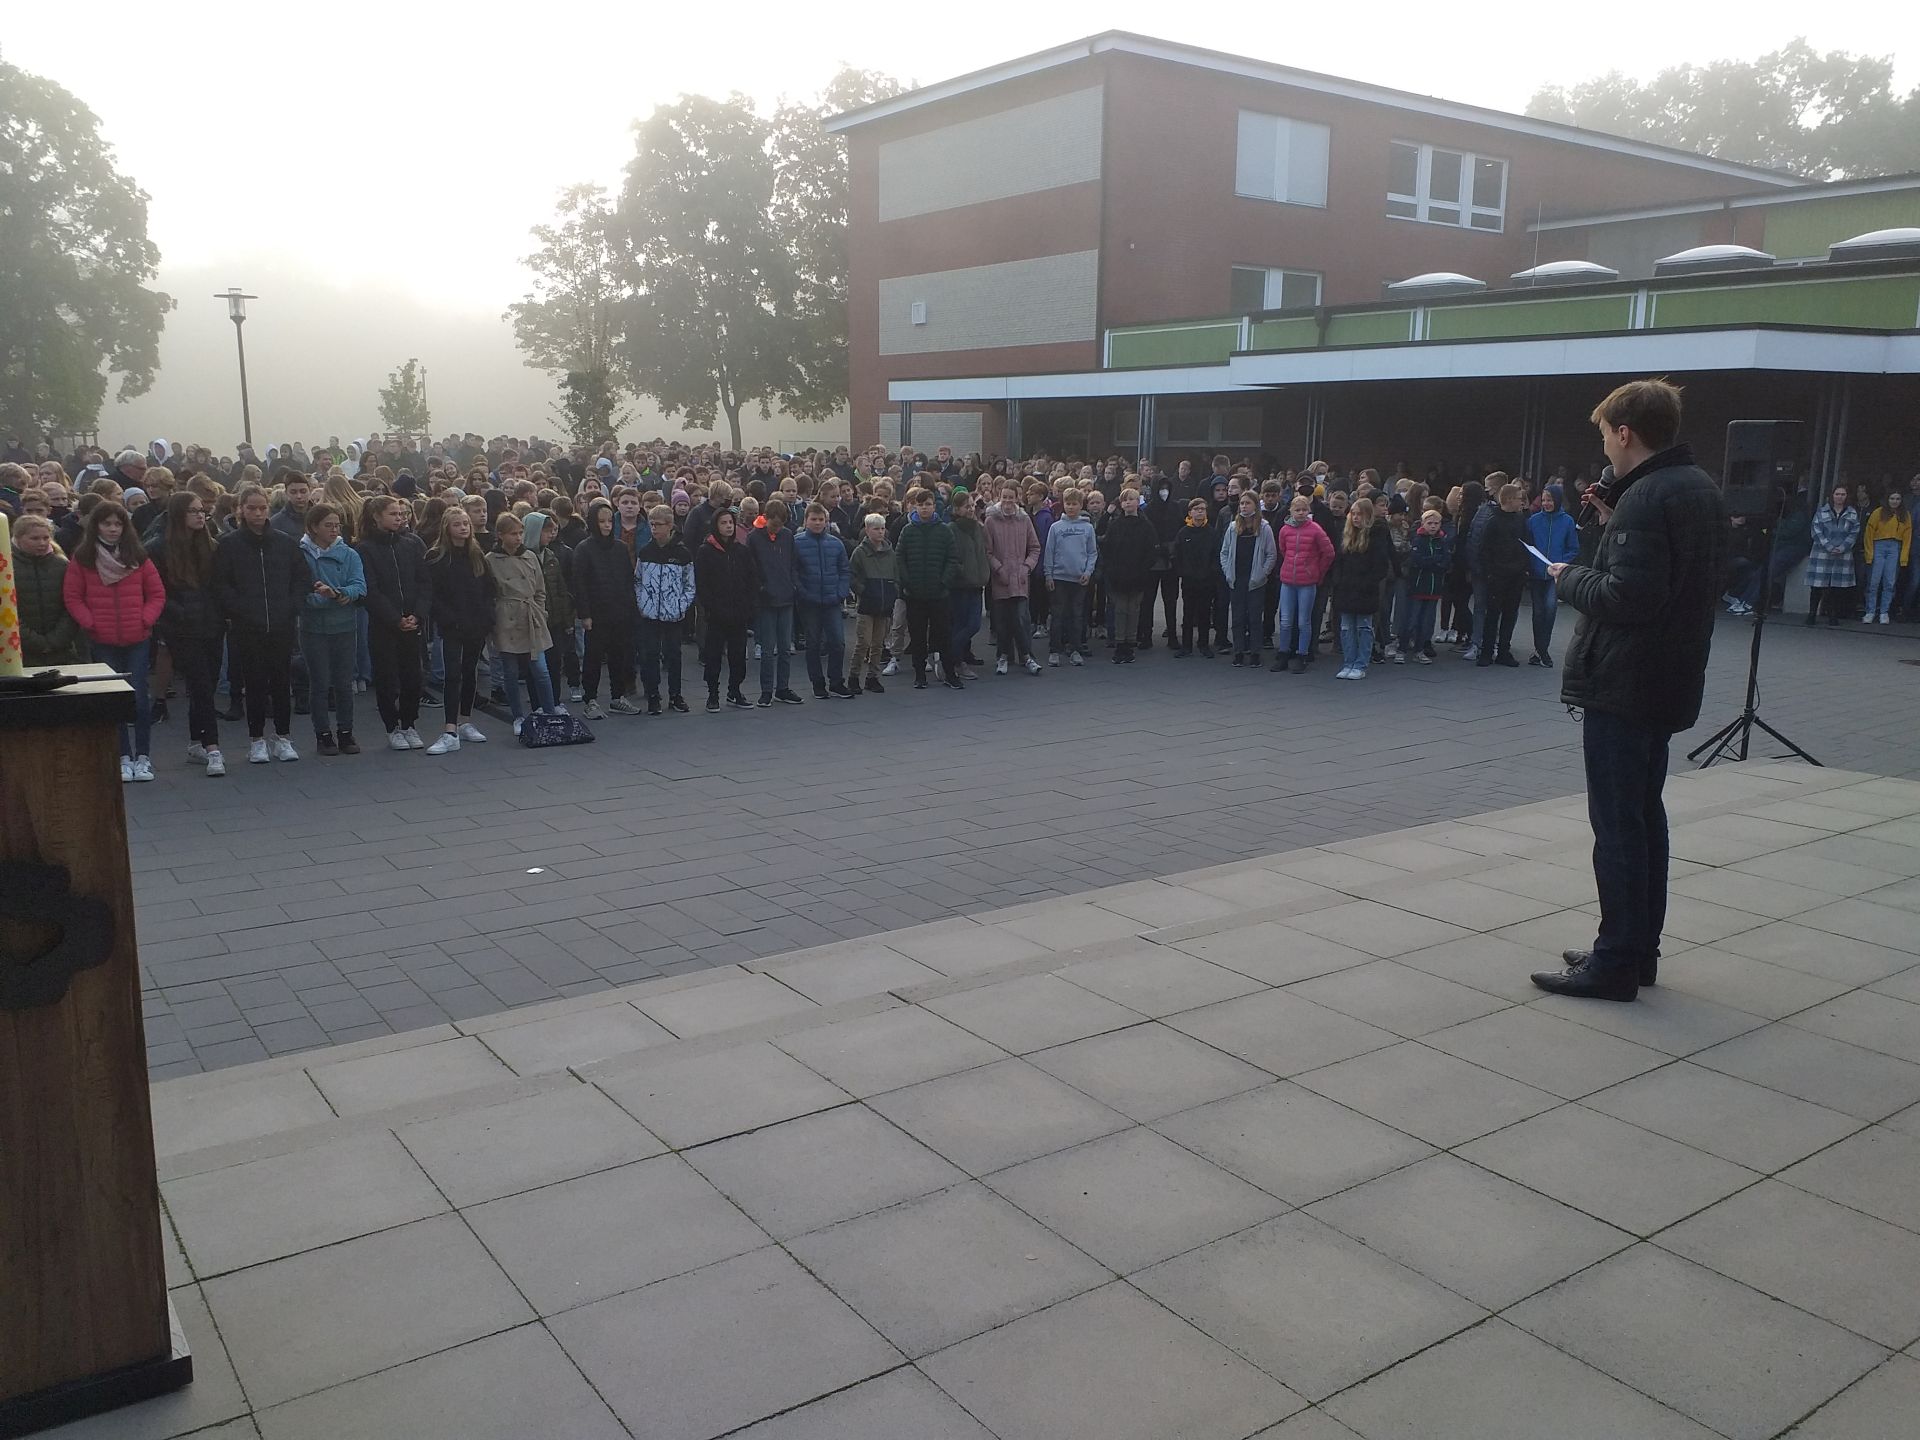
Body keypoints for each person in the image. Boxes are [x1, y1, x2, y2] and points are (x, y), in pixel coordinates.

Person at [1536, 378, 1728, 1002]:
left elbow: (1629, 597)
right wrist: (1612, 523)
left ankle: (1615, 960)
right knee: (1645, 817)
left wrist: (1568, 578)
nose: (1604, 448)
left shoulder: (1648, 496)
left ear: (1625, 433)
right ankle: (1637, 949)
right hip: (1669, 675)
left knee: (1618, 825)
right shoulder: (1696, 487)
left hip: (1626, 679)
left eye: (1605, 436)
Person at [62, 500, 167, 781]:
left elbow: (156, 593)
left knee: (139, 697)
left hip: (137, 637)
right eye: (106, 523)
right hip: (102, 638)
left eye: (118, 524)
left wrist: (145, 619)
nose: (112, 529)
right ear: (96, 526)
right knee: (114, 698)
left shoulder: (138, 556)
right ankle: (122, 755)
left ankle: (143, 756)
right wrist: (90, 622)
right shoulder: (83, 558)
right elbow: (73, 596)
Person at [214, 485, 310, 764]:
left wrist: (291, 606)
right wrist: (240, 609)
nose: (258, 513)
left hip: (281, 623)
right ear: (241, 510)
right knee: (254, 683)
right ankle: (256, 739)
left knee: (281, 682)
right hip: (247, 626)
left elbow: (301, 578)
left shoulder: (284, 542)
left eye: (262, 508)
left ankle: (283, 737)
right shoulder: (229, 544)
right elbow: (221, 584)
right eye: (251, 508)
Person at [358, 495, 432, 750]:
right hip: (384, 625)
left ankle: (409, 723)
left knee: (413, 677)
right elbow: (371, 590)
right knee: (387, 678)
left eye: (401, 514)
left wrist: (418, 614)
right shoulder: (365, 548)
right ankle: (392, 726)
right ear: (376, 517)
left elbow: (424, 582)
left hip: (412, 622)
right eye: (393, 514)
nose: (399, 518)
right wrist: (394, 618)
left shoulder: (412, 544)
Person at [423, 507, 495, 753]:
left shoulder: (476, 554)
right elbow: (432, 594)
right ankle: (450, 728)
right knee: (452, 674)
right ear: (447, 528)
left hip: (476, 623)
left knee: (469, 671)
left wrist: (487, 617)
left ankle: (465, 721)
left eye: (465, 523)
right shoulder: (436, 557)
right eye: (457, 524)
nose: (463, 527)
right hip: (452, 625)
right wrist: (447, 618)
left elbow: (489, 589)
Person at [299, 503, 368, 756]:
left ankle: (346, 732)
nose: (334, 530)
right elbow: (301, 591)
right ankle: (323, 735)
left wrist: (336, 593)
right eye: (328, 525)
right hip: (313, 628)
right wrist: (322, 599)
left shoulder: (349, 554)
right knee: (319, 683)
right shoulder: (301, 554)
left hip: (344, 626)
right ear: (313, 527)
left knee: (343, 682)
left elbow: (359, 586)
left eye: (337, 525)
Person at [486, 512, 555, 734]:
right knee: (511, 671)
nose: (518, 538)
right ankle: (517, 716)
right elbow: (488, 592)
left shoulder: (530, 557)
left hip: (530, 615)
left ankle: (550, 712)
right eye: (513, 534)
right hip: (506, 618)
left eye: (520, 533)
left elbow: (540, 589)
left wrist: (540, 612)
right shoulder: (491, 560)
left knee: (541, 669)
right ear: (500, 535)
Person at [572, 499, 640, 718]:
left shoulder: (620, 547)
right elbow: (580, 584)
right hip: (596, 613)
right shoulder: (584, 549)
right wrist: (585, 614)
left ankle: (617, 697)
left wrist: (630, 608)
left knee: (618, 656)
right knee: (593, 658)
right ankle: (590, 699)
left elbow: (628, 579)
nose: (607, 525)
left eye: (610, 521)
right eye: (602, 521)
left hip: (619, 611)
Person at [896, 487, 963, 690]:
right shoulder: (908, 531)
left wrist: (944, 582)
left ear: (934, 506)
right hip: (914, 593)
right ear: (915, 507)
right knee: (917, 636)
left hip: (939, 594)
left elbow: (953, 559)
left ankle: (949, 673)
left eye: (928, 504)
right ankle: (919, 675)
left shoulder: (944, 530)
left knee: (943, 635)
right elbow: (899, 558)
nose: (924, 508)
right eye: (920, 505)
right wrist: (906, 582)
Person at [635, 504, 696, 714]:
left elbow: (689, 584)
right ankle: (653, 695)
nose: (654, 529)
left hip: (673, 615)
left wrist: (680, 606)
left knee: (674, 655)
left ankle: (675, 695)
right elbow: (637, 580)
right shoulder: (645, 552)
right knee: (650, 655)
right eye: (651, 524)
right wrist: (642, 603)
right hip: (650, 614)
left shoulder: (682, 553)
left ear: (670, 526)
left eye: (658, 525)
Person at [693, 508, 757, 710]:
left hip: (738, 613)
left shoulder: (741, 551)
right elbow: (702, 584)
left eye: (731, 522)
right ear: (715, 525)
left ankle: (734, 690)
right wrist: (711, 607)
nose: (728, 526)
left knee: (738, 655)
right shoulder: (706, 551)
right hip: (716, 614)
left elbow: (751, 579)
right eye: (724, 523)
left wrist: (747, 605)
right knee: (713, 656)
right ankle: (713, 693)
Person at [12, 513, 88, 670]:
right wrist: (35, 642)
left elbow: (71, 604)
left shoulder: (62, 565)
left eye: (46, 538)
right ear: (18, 538)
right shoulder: (7, 567)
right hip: (21, 650)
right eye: (34, 538)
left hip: (61, 649)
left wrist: (55, 640)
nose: (42, 543)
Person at [793, 501, 852, 698]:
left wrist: (841, 592)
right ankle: (817, 683)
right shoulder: (797, 542)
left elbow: (844, 570)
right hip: (809, 602)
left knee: (837, 642)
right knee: (813, 644)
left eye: (821, 519)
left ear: (826, 521)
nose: (818, 523)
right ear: (806, 521)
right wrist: (802, 593)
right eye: (814, 519)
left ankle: (836, 681)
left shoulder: (836, 543)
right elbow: (794, 572)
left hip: (832, 600)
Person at [983, 479, 1042, 676]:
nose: (1008, 501)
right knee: (1002, 621)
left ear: (1017, 498)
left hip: (1021, 579)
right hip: (1001, 579)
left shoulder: (1024, 520)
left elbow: (1034, 547)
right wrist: (998, 569)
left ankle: (1027, 657)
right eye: (1004, 497)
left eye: (1011, 497)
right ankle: (1003, 656)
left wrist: (1027, 567)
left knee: (1022, 619)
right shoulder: (991, 521)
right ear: (1000, 497)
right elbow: (987, 551)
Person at [1328, 496, 1391, 679]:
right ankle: (1348, 662)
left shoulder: (1375, 536)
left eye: (1360, 514)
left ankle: (1361, 664)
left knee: (1364, 627)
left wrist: (1368, 583)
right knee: (1346, 627)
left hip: (1365, 589)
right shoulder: (1346, 535)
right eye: (1353, 514)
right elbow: (1338, 561)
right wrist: (1338, 581)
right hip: (1346, 588)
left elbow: (1381, 566)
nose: (1355, 518)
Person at [1271, 493, 1334, 675]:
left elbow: (1329, 552)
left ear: (1309, 511)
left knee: (1303, 621)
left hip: (1307, 581)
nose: (1300, 513)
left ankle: (1302, 654)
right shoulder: (1285, 530)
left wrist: (1317, 571)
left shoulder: (1315, 529)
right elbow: (1283, 549)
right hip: (1288, 580)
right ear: (1291, 511)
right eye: (1297, 510)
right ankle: (1284, 653)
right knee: (1285, 621)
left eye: (1304, 510)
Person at [749, 497, 801, 706]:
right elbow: (751, 568)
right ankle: (766, 690)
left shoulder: (787, 536)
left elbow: (793, 563)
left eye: (780, 525)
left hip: (786, 596)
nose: (777, 529)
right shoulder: (754, 538)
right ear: (766, 519)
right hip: (766, 600)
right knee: (768, 649)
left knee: (785, 647)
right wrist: (760, 588)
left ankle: (783, 687)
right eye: (774, 525)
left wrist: (793, 584)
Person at [1218, 491, 1276, 667]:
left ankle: (1255, 652)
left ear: (1255, 506)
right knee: (1237, 618)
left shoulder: (1264, 528)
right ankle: (1239, 651)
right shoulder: (1233, 527)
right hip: (1237, 578)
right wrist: (1228, 572)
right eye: (1242, 503)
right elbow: (1224, 552)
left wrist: (1262, 574)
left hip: (1255, 580)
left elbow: (1271, 554)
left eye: (1247, 503)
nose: (1244, 506)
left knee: (1254, 618)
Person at [1101, 487, 1159, 665]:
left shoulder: (1146, 526)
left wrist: (1143, 570)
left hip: (1138, 575)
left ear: (1137, 502)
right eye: (1124, 500)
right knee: (1120, 610)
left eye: (1131, 499)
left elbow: (1151, 551)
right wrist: (1111, 570)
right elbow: (1107, 549)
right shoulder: (1115, 525)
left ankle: (1130, 644)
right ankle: (1120, 644)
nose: (1128, 502)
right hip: (1118, 576)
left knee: (1133, 610)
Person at [1042, 487, 1097, 667]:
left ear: (1081, 505)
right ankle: (1054, 650)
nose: (1071, 507)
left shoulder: (1088, 528)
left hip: (1079, 579)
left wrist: (1088, 572)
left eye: (1074, 504)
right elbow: (1049, 552)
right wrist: (1048, 575)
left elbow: (1092, 552)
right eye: (1068, 503)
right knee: (1057, 615)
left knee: (1077, 616)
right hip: (1059, 578)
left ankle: (1075, 649)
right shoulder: (1056, 527)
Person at [1526, 484, 1579, 666]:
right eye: (1544, 500)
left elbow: (1573, 548)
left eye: (1549, 500)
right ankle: (1539, 649)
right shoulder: (1533, 521)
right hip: (1536, 573)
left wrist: (1561, 563)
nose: (1546, 503)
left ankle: (1542, 650)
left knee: (1550, 610)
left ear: (1557, 500)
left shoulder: (1567, 521)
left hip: (1555, 575)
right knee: (1538, 612)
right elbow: (1527, 545)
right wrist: (1529, 564)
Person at [1477, 483, 1529, 668]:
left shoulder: (1520, 520)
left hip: (1516, 574)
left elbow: (1526, 544)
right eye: (1519, 499)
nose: (1522, 502)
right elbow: (1484, 548)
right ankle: (1486, 651)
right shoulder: (1493, 521)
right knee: (1492, 614)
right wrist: (1490, 572)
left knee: (1510, 614)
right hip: (1498, 574)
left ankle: (1504, 651)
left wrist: (1524, 568)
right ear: (1509, 499)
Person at [848, 514, 899, 692]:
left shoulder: (890, 553)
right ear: (867, 530)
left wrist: (894, 590)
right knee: (863, 643)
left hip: (884, 603)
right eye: (876, 529)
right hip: (867, 604)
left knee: (878, 644)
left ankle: (872, 677)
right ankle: (854, 677)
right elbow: (852, 575)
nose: (880, 532)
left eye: (882, 528)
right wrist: (863, 590)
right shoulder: (860, 552)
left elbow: (896, 574)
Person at [1400, 507, 1453, 664]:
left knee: (1426, 623)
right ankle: (1402, 649)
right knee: (1411, 620)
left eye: (1436, 523)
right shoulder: (1417, 539)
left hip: (1434, 588)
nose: (1433, 526)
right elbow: (1417, 560)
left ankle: (1419, 650)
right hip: (1417, 587)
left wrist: (1434, 562)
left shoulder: (1442, 541)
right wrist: (1434, 560)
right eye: (1430, 523)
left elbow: (1446, 561)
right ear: (1423, 523)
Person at [946, 489, 990, 678]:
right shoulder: (951, 529)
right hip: (960, 586)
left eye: (972, 505)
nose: (971, 509)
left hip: (977, 584)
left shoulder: (978, 528)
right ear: (957, 509)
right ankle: (955, 660)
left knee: (974, 625)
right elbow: (951, 558)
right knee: (962, 624)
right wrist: (963, 572)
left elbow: (983, 552)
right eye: (966, 506)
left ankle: (949, 655)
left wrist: (984, 572)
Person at [1806, 484, 1861, 627]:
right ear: (1832, 496)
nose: (1840, 497)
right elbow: (1816, 531)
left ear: (1847, 496)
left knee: (1835, 588)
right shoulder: (1821, 511)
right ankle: (1811, 614)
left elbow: (1854, 533)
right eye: (1837, 494)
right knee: (1817, 586)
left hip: (1842, 554)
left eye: (1843, 494)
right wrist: (1829, 546)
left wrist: (1842, 547)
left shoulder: (1852, 513)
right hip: (1822, 553)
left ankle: (1832, 615)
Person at [1171, 496, 1219, 659]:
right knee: (1188, 613)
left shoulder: (1211, 532)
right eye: (1196, 509)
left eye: (1202, 509)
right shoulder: (1183, 532)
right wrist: (1182, 571)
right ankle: (1186, 646)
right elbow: (1176, 554)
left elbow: (1216, 555)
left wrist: (1211, 572)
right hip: (1189, 580)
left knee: (1204, 613)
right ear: (1190, 512)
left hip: (1206, 580)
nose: (1200, 512)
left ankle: (1204, 644)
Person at [1862, 489, 1910, 624]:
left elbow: (1907, 537)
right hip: (1878, 545)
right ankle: (1870, 611)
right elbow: (1868, 534)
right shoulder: (1878, 512)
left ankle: (1884, 612)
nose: (1895, 501)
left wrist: (1904, 557)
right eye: (1892, 498)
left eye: (1897, 499)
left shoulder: (1905, 515)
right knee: (1873, 581)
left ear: (1901, 501)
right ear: (1887, 500)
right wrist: (1869, 553)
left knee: (1890, 582)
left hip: (1895, 547)